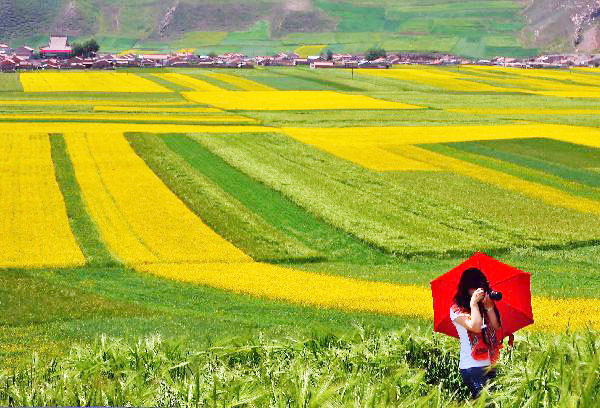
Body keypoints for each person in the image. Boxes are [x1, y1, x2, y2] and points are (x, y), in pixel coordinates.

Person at [450, 267, 503, 399]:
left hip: (490, 364)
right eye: (475, 287)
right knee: (483, 403)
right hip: (472, 367)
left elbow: (497, 327)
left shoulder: (483, 305)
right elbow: (475, 327)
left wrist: (489, 307)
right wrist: (473, 304)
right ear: (467, 289)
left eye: (481, 287)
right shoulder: (457, 309)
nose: (479, 291)